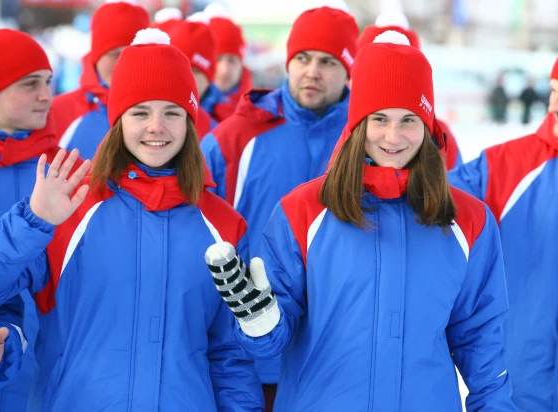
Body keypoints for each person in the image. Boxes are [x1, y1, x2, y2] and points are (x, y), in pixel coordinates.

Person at [205, 30, 515, 411]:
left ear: (430, 125)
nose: (393, 135)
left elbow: (482, 343)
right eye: (379, 118)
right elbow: (272, 341)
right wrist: (260, 321)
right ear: (356, 124)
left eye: (409, 119)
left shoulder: (467, 221)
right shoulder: (302, 210)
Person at [0, 28, 263, 411]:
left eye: (172, 112)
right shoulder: (69, 207)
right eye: (140, 112)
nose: (156, 126)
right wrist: (33, 222)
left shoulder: (224, 225)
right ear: (118, 120)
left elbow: (229, 355)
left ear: (189, 122)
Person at [448, 30, 558, 411]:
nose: (553, 105)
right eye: (553, 90)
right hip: (517, 397)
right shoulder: (506, 167)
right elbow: (422, 202)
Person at [200, 4, 358, 407]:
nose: (312, 71)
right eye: (302, 59)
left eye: (328, 61)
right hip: (246, 347)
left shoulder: (367, 138)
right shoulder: (239, 135)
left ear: (349, 69)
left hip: (337, 348)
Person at [0, 28, 82, 412]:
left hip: (58, 379)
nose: (47, 95)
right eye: (30, 84)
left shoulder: (70, 172)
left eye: (48, 82)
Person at [355, 11, 461, 169]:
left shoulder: (441, 140)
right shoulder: (343, 136)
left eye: (408, 120)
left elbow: (455, 188)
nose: (393, 138)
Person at [51, 0, 149, 160]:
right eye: (115, 55)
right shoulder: (56, 112)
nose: (124, 63)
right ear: (97, 56)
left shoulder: (168, 113)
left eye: (134, 54)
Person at [167, 19, 218, 139]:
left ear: (208, 79)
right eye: (179, 68)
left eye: (195, 71)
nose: (186, 76)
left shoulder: (219, 130)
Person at [202, 3, 254, 116]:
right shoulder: (184, 109)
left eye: (232, 60)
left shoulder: (257, 110)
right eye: (218, 59)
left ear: (241, 64)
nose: (224, 70)